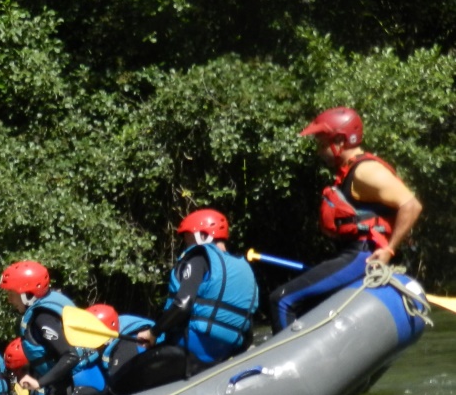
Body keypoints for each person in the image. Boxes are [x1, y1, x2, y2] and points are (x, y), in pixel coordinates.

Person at [269, 107, 422, 331]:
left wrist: (389, 250)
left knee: (281, 299)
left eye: (322, 144)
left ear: (340, 141)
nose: (319, 151)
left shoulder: (365, 171)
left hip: (363, 255)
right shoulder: (349, 171)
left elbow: (411, 205)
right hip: (351, 253)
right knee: (305, 305)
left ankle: (277, 361)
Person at [137, 208, 259, 375]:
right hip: (228, 350)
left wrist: (153, 332)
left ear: (204, 235)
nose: (186, 242)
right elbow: (248, 321)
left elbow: (182, 305)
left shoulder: (199, 257)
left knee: (129, 373)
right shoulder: (244, 268)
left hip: (193, 345)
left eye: (188, 236)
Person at [0, 260, 90, 395]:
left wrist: (38, 382)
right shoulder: (49, 306)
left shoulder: (43, 318)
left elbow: (70, 356)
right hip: (72, 383)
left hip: (80, 386)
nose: (10, 300)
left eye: (12, 294)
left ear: (28, 293)